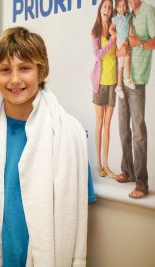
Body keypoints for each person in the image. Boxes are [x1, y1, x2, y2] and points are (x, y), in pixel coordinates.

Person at [0, 26, 92, 266]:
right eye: (5, 70)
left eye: (25, 68)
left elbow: (77, 207)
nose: (15, 79)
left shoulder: (68, 135)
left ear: (41, 73)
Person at [116, 0, 154, 199]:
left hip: (137, 79)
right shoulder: (128, 15)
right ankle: (128, 171)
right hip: (123, 80)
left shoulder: (148, 10)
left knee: (138, 131)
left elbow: (154, 41)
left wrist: (138, 42)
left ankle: (142, 183)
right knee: (123, 128)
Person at [91, 0, 119, 179]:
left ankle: (107, 165)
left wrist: (116, 35)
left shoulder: (115, 28)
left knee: (108, 126)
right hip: (99, 83)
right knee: (99, 124)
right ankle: (99, 164)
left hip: (113, 82)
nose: (107, 10)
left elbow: (119, 53)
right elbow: (99, 54)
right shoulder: (95, 32)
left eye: (110, 8)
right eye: (105, 7)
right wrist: (112, 39)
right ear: (100, 9)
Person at [109, 0, 136, 99]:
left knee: (123, 64)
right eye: (119, 6)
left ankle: (120, 86)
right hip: (121, 43)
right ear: (116, 8)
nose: (122, 8)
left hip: (126, 41)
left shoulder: (128, 17)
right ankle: (127, 80)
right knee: (126, 59)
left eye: (124, 6)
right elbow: (110, 29)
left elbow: (130, 26)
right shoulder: (116, 19)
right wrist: (117, 36)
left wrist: (131, 32)